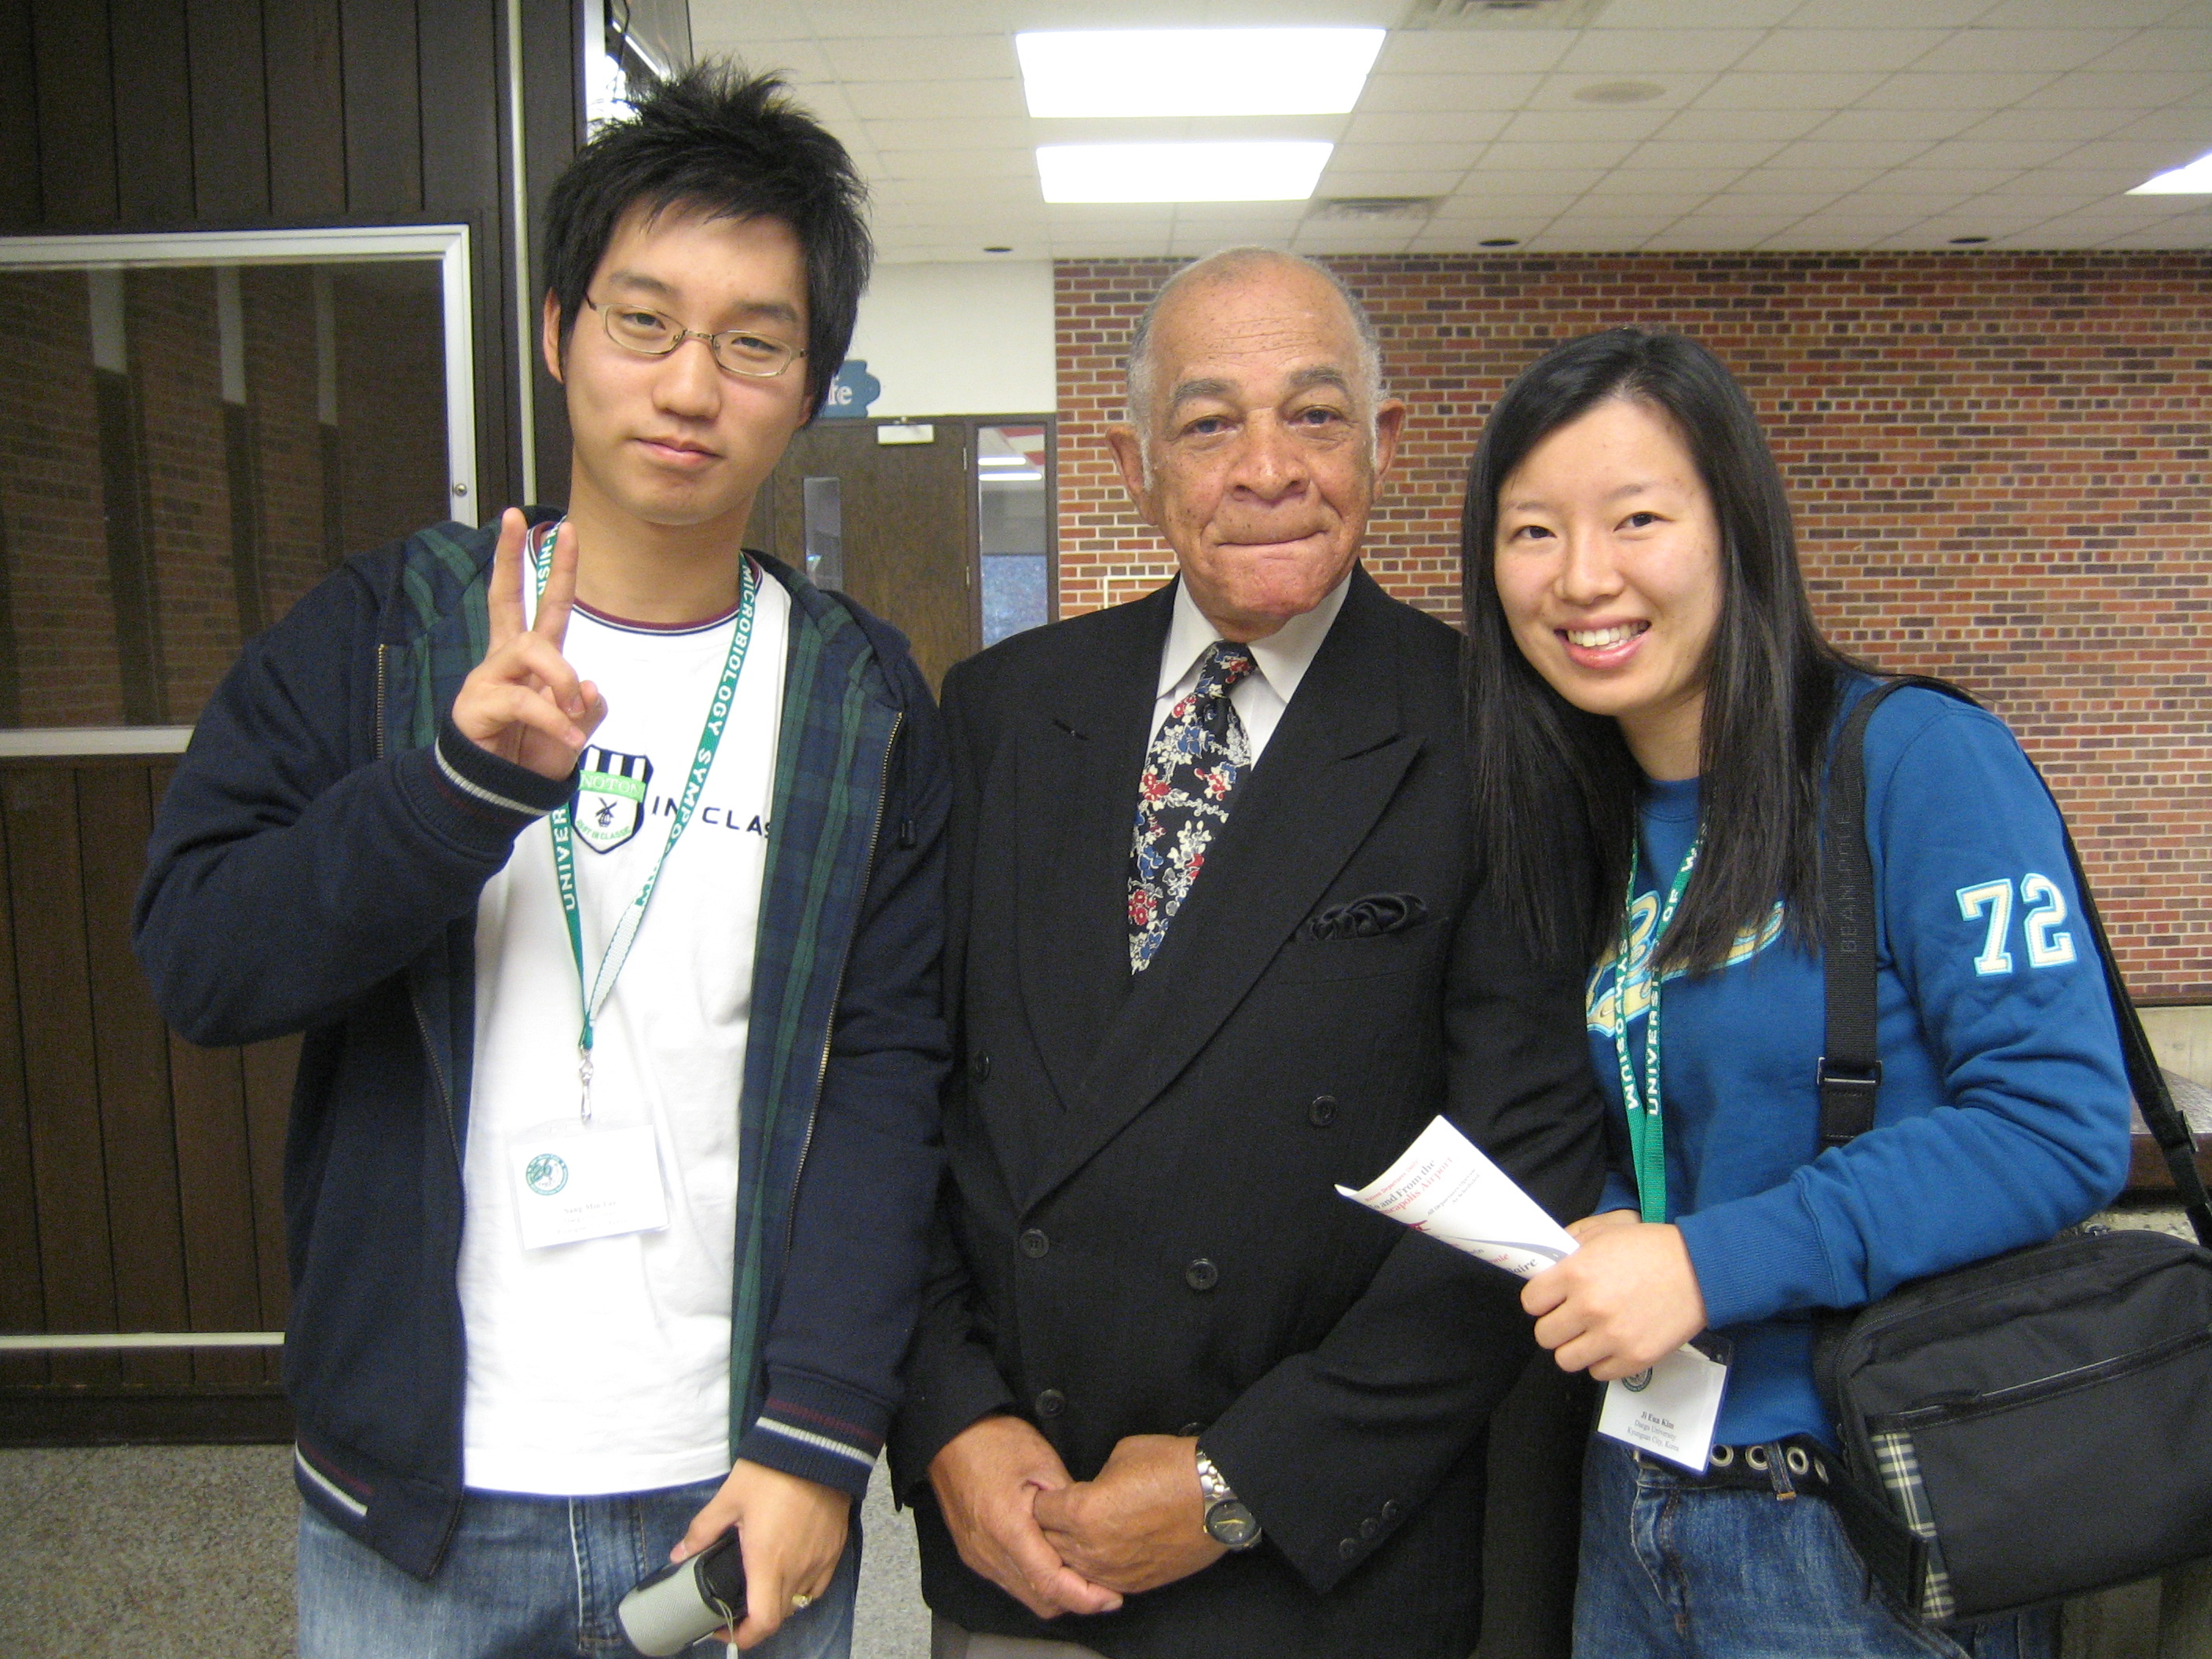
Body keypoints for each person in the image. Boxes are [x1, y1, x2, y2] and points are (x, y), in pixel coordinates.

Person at [133, 66, 948, 1659]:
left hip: (733, 1482)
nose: (690, 385)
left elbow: (892, 1068)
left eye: (754, 343)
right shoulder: (381, 637)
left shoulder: (857, 698)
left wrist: (820, 1435)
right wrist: (451, 791)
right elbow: (201, 963)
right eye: (645, 322)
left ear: (810, 385)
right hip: (423, 1501)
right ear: (562, 331)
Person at [888, 247, 1608, 1659]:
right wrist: (949, 1418)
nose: (1268, 468)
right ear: (1134, 464)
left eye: (1316, 416)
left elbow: (1522, 1178)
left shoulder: (1498, 736)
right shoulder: (1001, 712)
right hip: (1025, 1532)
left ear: (1385, 442)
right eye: (1210, 422)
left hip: (1325, 1566)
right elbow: (907, 1101)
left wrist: (1244, 1483)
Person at [1457, 326, 2133, 1658]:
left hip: (1863, 1521)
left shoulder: (1917, 761)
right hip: (1638, 1496)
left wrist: (1708, 1264)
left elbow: (2056, 1126)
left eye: (1637, 518)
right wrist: (1611, 1220)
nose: (1582, 577)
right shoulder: (1581, 815)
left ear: (1738, 530)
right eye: (1533, 532)